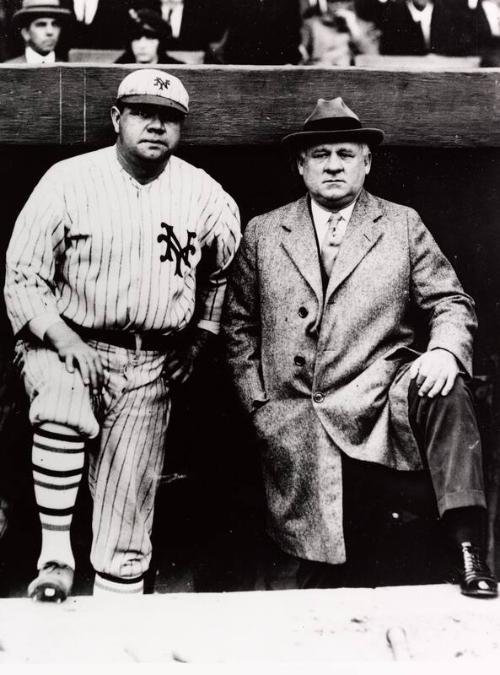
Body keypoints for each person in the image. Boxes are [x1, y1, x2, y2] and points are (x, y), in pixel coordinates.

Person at [222, 97, 498, 598]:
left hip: (378, 398)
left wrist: (443, 353)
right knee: (314, 576)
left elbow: (452, 301)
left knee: (449, 384)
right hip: (296, 411)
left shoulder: (400, 222)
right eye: (321, 154)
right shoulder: (264, 231)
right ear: (299, 165)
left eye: (346, 154)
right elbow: (237, 325)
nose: (333, 165)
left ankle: (468, 545)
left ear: (366, 163)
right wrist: (258, 404)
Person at [4, 68, 240, 601]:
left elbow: (225, 270)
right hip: (64, 340)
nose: (156, 126)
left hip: (149, 360)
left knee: (126, 526)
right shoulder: (67, 179)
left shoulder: (203, 194)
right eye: (143, 113)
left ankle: (119, 626)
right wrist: (64, 340)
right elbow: (22, 274)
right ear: (117, 118)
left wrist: (201, 336)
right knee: (63, 403)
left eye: (169, 118)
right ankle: (55, 557)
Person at [300, 0, 380, 66]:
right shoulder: (312, 24)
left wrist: (354, 29)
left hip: (348, 78)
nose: (338, 5)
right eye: (332, 1)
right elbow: (302, 55)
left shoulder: (364, 26)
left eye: (344, 1)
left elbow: (373, 56)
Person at [5, 0, 72, 64]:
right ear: (26, 33)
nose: (50, 32)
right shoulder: (6, 70)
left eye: (55, 24)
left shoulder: (68, 70)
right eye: (41, 25)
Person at [115, 7, 183, 64]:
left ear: (160, 42)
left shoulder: (178, 68)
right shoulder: (115, 69)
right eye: (136, 39)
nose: (142, 46)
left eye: (150, 38)